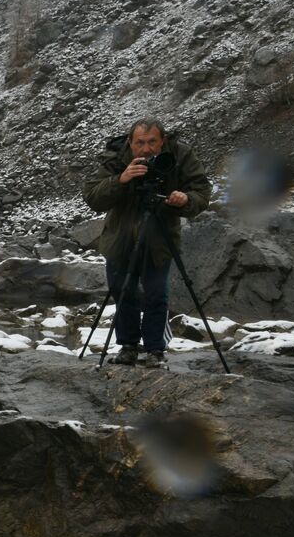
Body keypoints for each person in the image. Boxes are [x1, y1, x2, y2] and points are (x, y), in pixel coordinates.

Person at [82, 119, 212, 366]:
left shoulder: (180, 155)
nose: (146, 148)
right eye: (139, 143)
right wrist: (121, 179)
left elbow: (202, 192)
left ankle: (155, 350)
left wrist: (185, 199)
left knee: (156, 294)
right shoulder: (116, 157)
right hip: (120, 237)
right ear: (130, 143)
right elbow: (92, 197)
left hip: (159, 237)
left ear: (162, 141)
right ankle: (128, 347)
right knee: (122, 292)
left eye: (152, 142)